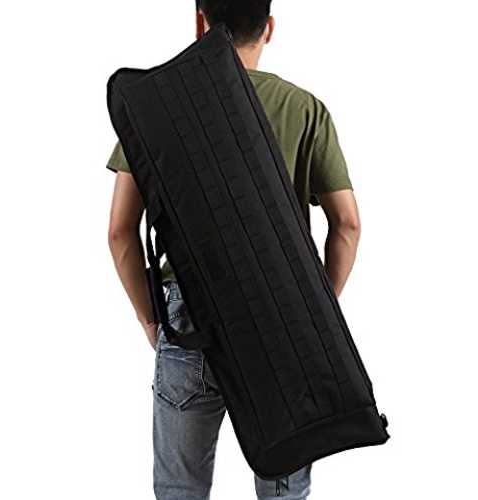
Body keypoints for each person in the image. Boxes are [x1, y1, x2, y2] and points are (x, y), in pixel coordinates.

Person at [107, 1, 360, 498]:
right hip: (283, 320)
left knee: (181, 489)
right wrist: (315, 313)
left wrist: (150, 320)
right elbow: (348, 224)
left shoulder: (157, 108)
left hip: (190, 322)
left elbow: (119, 232)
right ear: (270, 28)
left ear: (200, 22)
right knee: (284, 487)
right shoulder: (305, 108)